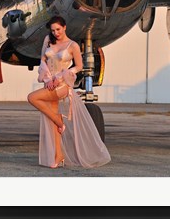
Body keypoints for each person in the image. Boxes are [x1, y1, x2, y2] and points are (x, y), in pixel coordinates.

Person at [27, 16, 111, 168]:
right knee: (52, 122)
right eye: (53, 30)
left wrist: (59, 78)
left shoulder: (72, 46)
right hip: (49, 83)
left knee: (32, 98)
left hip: (62, 85)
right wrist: (47, 79)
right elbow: (42, 61)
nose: (55, 33)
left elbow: (78, 66)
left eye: (58, 29)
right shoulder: (48, 40)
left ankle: (60, 122)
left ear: (64, 27)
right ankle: (59, 156)